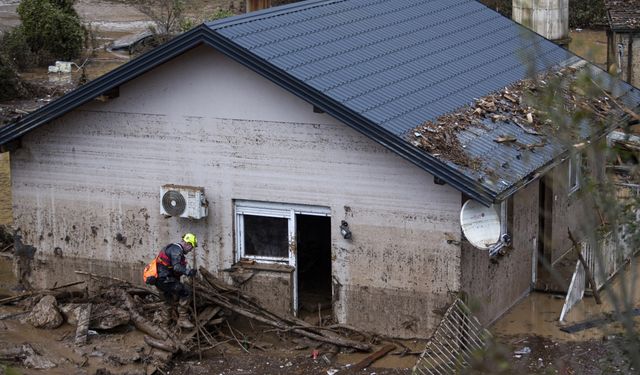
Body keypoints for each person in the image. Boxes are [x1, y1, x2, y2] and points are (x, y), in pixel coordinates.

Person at [154, 233, 198, 329]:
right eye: (191, 247)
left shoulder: (172, 248)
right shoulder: (176, 250)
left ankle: (164, 326)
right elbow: (177, 267)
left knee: (168, 301)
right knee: (186, 292)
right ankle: (182, 319)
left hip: (160, 280)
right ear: (188, 244)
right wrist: (189, 272)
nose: (190, 250)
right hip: (165, 279)